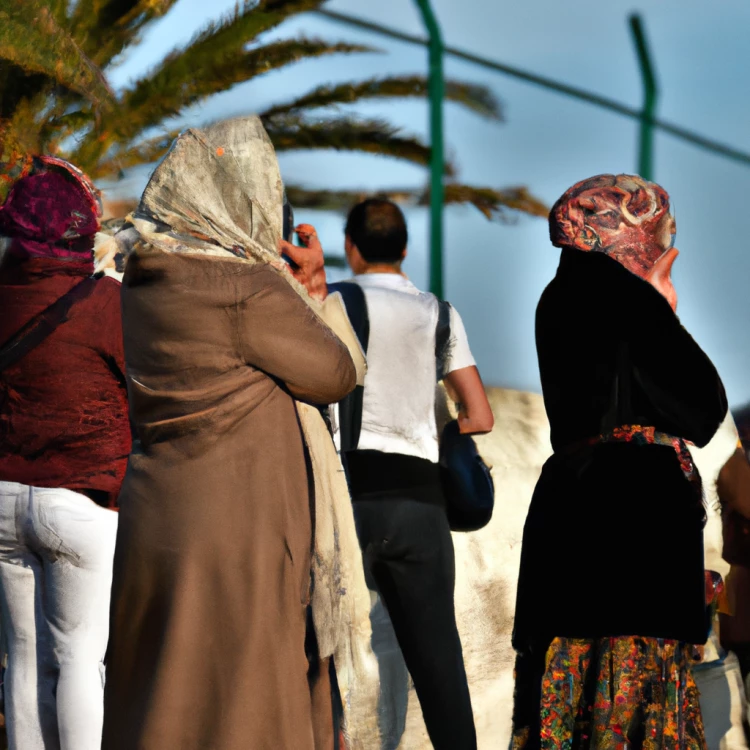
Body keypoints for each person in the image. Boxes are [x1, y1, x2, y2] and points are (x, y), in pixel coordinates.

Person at [102, 116, 380, 750]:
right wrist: (312, 290)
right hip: (237, 524)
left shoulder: (142, 279)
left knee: (167, 688)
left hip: (159, 515)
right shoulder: (245, 288)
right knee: (244, 694)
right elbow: (335, 371)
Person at [510, 174, 728, 749]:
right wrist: (666, 313)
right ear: (632, 225)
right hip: (635, 524)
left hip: (566, 513)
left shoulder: (553, 299)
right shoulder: (630, 298)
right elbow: (703, 408)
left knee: (567, 691)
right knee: (637, 700)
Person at [295, 198, 494, 750]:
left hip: (348, 499)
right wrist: (440, 435)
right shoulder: (440, 313)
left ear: (352, 248)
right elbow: (480, 416)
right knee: (439, 665)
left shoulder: (336, 301)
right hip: (421, 507)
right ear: (404, 249)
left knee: (321, 655)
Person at [0, 157, 130, 750]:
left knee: (24, 658)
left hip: (2, 499)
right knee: (80, 660)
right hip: (82, 500)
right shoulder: (107, 302)